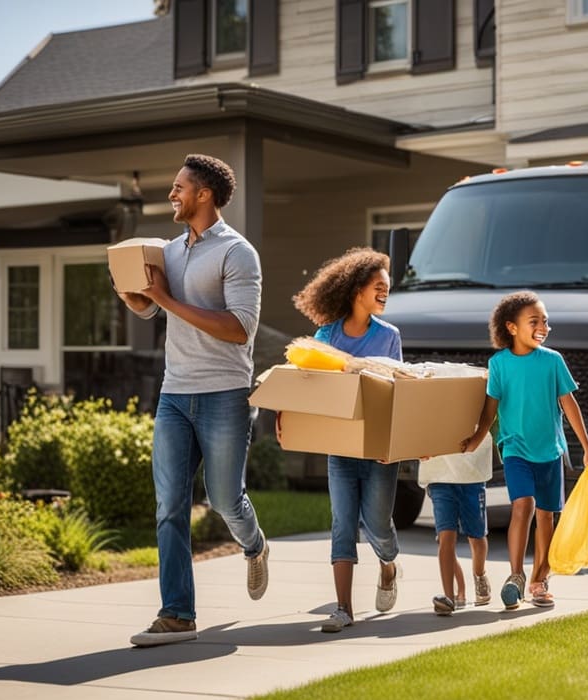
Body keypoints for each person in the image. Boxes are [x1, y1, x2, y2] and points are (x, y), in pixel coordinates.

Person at [117, 154, 268, 647]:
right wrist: (137, 296)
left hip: (224, 393)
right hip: (175, 394)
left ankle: (254, 544)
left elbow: (238, 328)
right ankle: (177, 614)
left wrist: (164, 301)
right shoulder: (170, 250)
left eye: (179, 187)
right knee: (170, 506)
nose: (172, 194)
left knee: (224, 498)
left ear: (204, 194)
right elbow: (151, 309)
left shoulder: (238, 253)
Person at [463, 291, 588, 610]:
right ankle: (516, 576)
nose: (543, 326)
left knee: (547, 516)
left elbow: (569, 404)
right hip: (515, 448)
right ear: (511, 327)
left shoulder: (553, 361)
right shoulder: (499, 364)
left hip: (550, 451)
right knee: (522, 505)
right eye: (534, 321)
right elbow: (490, 410)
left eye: (546, 321)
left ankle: (540, 579)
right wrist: (477, 437)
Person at [291, 247, 402, 633]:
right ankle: (343, 608)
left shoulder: (389, 336)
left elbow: (397, 392)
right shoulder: (326, 336)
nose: (386, 293)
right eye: (378, 287)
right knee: (342, 525)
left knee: (377, 525)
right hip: (340, 447)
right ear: (357, 291)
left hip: (378, 449)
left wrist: (396, 443)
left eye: (387, 288)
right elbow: (308, 387)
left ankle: (388, 564)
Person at [418, 433, 493, 615]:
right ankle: (449, 598)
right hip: (439, 475)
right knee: (445, 538)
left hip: (471, 473)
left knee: (477, 537)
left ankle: (479, 574)